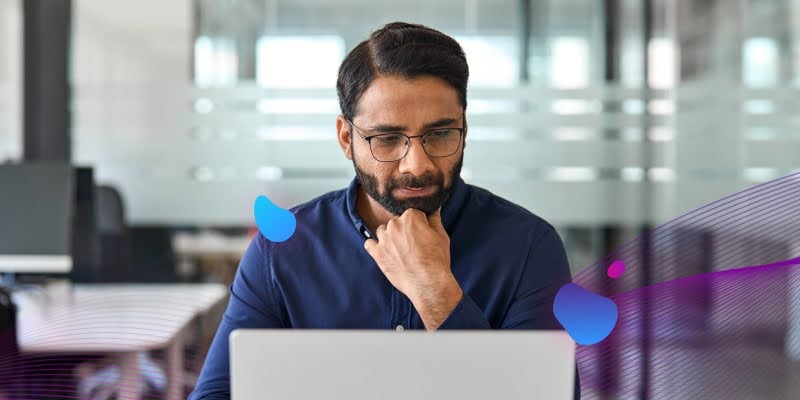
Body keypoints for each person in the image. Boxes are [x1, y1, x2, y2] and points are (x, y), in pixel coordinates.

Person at [189, 21, 575, 399]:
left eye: (440, 134)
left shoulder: (528, 246)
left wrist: (436, 292)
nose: (416, 164)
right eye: (388, 139)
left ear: (464, 129)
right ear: (346, 137)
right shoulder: (282, 252)